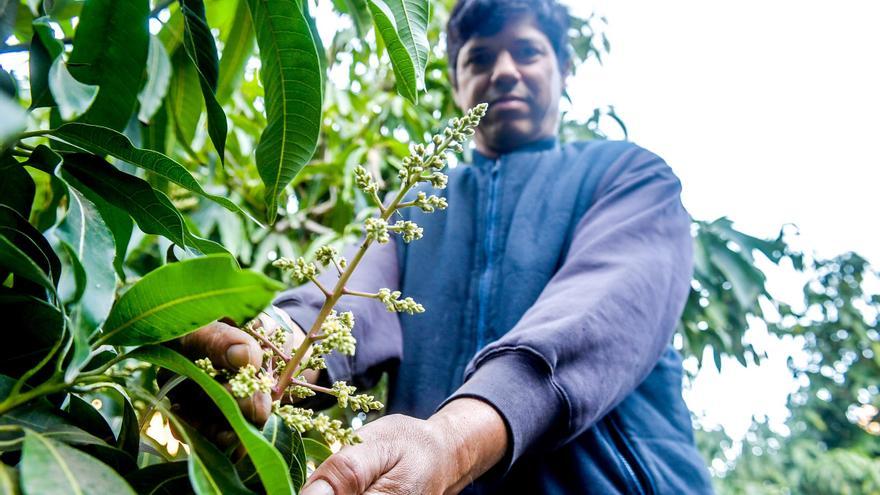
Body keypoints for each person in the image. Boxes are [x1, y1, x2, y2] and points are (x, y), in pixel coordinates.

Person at [182, 0, 715, 492]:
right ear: (459, 83)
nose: (504, 70)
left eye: (527, 51)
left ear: (564, 69)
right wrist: (270, 347)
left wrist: (451, 443)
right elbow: (350, 295)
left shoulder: (628, 177)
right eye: (480, 57)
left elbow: (599, 314)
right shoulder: (417, 206)